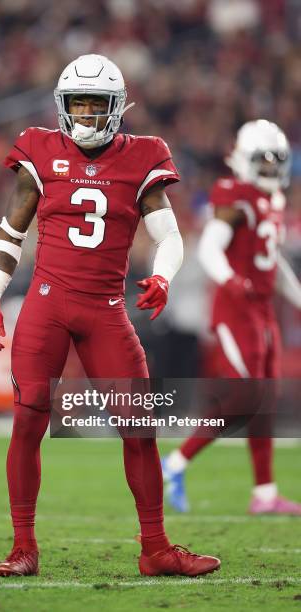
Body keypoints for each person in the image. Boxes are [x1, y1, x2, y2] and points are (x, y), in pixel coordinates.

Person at [0, 54, 220, 577]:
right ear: (63, 107)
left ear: (117, 108)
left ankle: (155, 549)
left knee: (139, 427)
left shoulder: (144, 157)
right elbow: (9, 233)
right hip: (48, 301)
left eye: (97, 105)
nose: (87, 116)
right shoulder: (39, 150)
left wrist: (162, 276)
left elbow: (171, 237)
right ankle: (24, 547)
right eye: (78, 105)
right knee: (28, 420)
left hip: (107, 308)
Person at [162, 120, 301, 515]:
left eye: (277, 161)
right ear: (244, 158)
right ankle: (174, 463)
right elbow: (209, 249)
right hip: (235, 311)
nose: (271, 168)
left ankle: (265, 493)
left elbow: (274, 265)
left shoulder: (271, 201)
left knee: (265, 402)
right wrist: (233, 282)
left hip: (261, 312)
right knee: (246, 396)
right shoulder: (234, 194)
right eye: (264, 159)